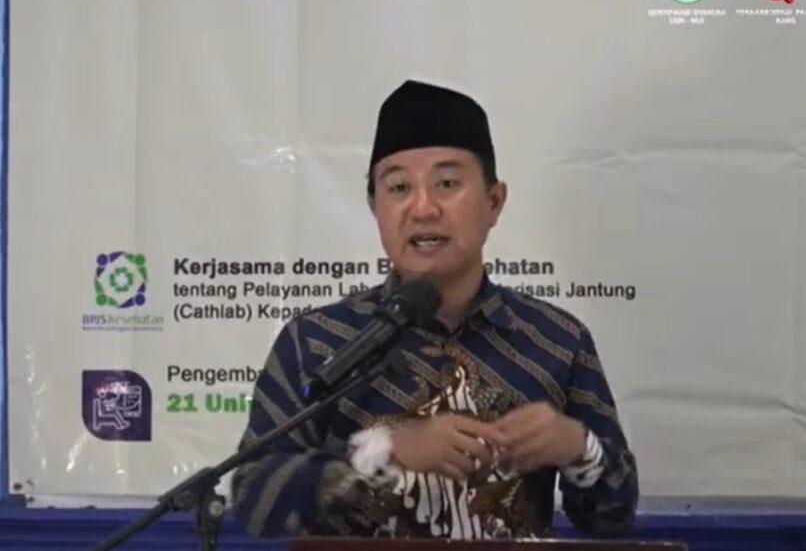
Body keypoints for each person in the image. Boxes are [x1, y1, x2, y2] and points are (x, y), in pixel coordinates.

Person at [229, 79, 638, 540]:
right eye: (399, 187)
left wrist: (580, 448)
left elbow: (613, 518)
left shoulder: (557, 340)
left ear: (494, 201)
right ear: (375, 206)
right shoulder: (319, 341)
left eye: (446, 183)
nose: (423, 208)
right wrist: (382, 453)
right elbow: (254, 500)